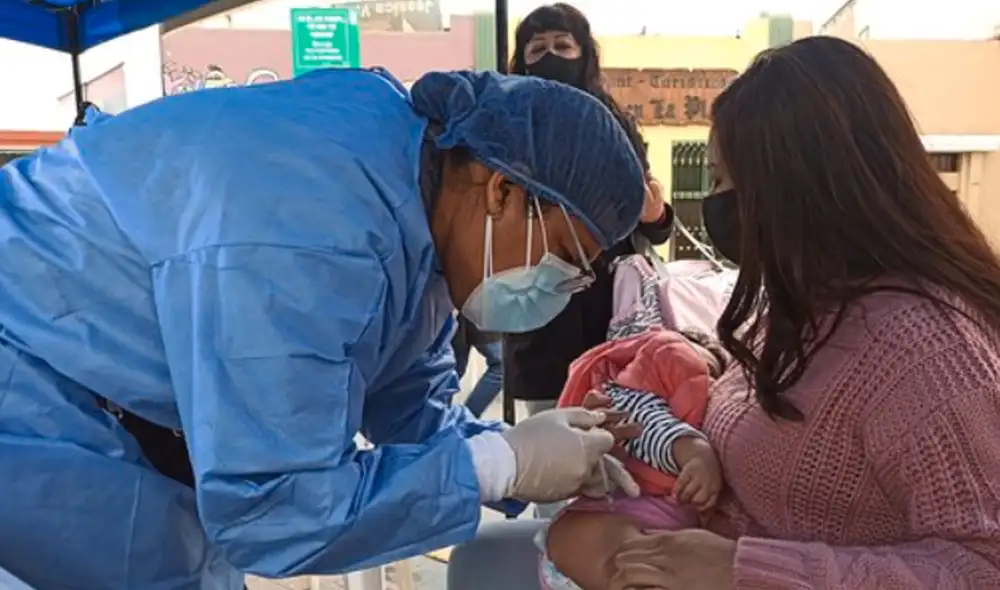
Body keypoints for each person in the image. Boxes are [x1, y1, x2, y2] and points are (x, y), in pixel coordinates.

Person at [0, 68, 645, 589]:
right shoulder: (313, 233)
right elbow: (272, 510)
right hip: (32, 378)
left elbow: (408, 401)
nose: (558, 289)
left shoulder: (411, 196)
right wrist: (498, 467)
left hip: (107, 394)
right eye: (562, 259)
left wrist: (522, 450)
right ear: (502, 191)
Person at [449, 35, 1000, 590]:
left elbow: (982, 568)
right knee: (479, 558)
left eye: (722, 182)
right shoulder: (800, 312)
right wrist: (639, 429)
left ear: (801, 187)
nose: (716, 205)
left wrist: (746, 571)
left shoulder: (925, 351)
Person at [502, 2, 674, 420]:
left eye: (564, 45)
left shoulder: (613, 121)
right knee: (551, 444)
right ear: (521, 60)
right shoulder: (506, 125)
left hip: (610, 313)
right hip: (540, 305)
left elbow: (652, 221)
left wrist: (657, 217)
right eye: (537, 47)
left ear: (585, 55)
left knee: (618, 438)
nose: (551, 56)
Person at [539, 253, 730, 590]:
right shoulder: (669, 352)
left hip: (677, 530)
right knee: (590, 540)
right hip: (617, 513)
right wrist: (691, 449)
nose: (712, 383)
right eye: (711, 371)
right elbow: (638, 414)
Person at [452, 315, 504, 417]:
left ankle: (465, 418)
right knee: (452, 373)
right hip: (469, 309)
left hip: (475, 310)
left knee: (452, 372)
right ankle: (464, 418)